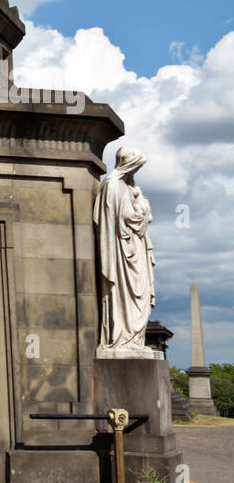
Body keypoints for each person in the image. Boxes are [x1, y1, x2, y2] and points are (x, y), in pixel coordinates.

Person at [92, 145, 155, 352]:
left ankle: (135, 339)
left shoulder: (127, 186)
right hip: (122, 252)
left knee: (141, 296)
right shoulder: (113, 185)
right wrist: (143, 209)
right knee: (125, 295)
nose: (135, 173)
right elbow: (128, 219)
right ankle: (123, 339)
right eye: (135, 167)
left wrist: (141, 203)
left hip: (134, 250)